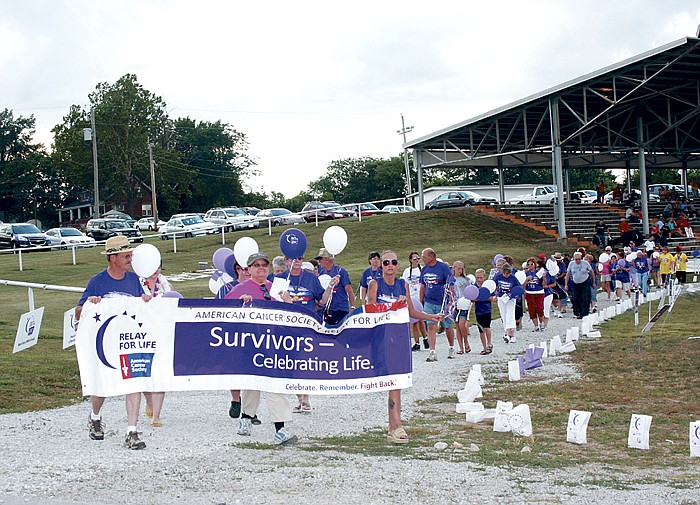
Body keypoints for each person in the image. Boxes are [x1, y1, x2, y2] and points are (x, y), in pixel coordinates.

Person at [75, 236, 152, 450]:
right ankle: (95, 416)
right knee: (102, 386)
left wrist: (145, 301)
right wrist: (91, 305)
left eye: (131, 255)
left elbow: (143, 308)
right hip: (106, 343)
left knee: (134, 382)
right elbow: (78, 313)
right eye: (126, 256)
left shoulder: (135, 280)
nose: (130, 259)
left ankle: (132, 431)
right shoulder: (97, 281)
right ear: (113, 258)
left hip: (129, 342)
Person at [366, 250, 442, 444]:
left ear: (398, 265)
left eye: (393, 262)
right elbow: (371, 310)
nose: (390, 265)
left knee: (397, 383)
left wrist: (430, 317)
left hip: (400, 339)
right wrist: (393, 308)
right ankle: (396, 426)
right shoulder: (375, 284)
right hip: (382, 339)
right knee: (393, 382)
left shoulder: (402, 285)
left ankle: (394, 427)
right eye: (385, 263)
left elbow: (411, 311)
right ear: (381, 265)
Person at [225, 252, 297, 446]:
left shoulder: (276, 289)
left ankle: (280, 428)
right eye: (256, 265)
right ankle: (247, 418)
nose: (261, 268)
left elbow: (289, 317)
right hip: (250, 346)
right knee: (252, 384)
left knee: (274, 384)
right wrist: (241, 305)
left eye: (264, 265)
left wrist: (288, 303)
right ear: (248, 269)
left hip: (273, 345)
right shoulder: (241, 289)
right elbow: (224, 313)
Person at [278, 255, 337, 413]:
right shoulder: (280, 278)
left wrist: (330, 287)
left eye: (300, 258)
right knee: (293, 363)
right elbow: (274, 303)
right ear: (286, 260)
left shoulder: (311, 278)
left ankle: (305, 399)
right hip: (288, 328)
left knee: (304, 362)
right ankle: (301, 399)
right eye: (292, 258)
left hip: (308, 327)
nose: (296, 261)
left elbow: (322, 301)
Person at [139, 264, 172, 427]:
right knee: (144, 371)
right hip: (142, 331)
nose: (156, 270)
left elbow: (174, 299)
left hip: (162, 331)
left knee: (160, 372)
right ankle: (149, 401)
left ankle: (156, 416)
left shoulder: (164, 282)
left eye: (158, 266)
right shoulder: (136, 282)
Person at [419, 248, 456, 361]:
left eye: (424, 257)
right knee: (431, 325)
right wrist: (421, 302)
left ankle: (451, 347)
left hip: (442, 302)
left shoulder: (443, 267)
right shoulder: (424, 269)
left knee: (447, 325)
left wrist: (450, 301)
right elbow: (422, 286)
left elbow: (450, 284)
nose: (422, 259)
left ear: (431, 257)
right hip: (429, 302)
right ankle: (432, 351)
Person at [315, 248, 355, 325]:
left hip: (340, 309)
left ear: (326, 259)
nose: (319, 262)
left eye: (320, 259)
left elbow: (349, 290)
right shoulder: (321, 272)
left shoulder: (341, 272)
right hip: (326, 310)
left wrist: (352, 306)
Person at [402, 251, 427, 351]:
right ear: (410, 260)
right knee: (414, 322)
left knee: (421, 319)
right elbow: (405, 284)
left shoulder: (423, 270)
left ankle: (425, 338)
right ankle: (417, 342)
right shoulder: (407, 271)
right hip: (411, 298)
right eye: (414, 259)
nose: (416, 260)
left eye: (418, 258)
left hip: (420, 297)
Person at [493, 262, 521, 343]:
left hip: (510, 298)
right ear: (502, 272)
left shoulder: (513, 278)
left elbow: (518, 287)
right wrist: (494, 294)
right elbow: (493, 285)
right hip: (501, 297)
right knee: (503, 314)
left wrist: (514, 295)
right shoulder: (498, 276)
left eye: (509, 273)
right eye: (506, 273)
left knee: (510, 314)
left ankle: (511, 333)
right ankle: (507, 332)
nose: (508, 275)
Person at [565, 251, 594, 319]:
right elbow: (568, 274)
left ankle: (584, 313)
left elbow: (591, 272)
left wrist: (593, 282)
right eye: (576, 259)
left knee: (585, 298)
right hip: (576, 283)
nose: (578, 261)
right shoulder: (571, 264)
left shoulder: (585, 263)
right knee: (575, 299)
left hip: (585, 282)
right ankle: (577, 312)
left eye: (579, 259)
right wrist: (566, 284)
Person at [473, 268, 494, 354]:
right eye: (477, 277)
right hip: (478, 310)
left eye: (480, 277)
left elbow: (491, 298)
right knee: (481, 329)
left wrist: (483, 297)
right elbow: (472, 298)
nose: (479, 279)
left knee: (487, 327)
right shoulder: (474, 287)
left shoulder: (488, 286)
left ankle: (489, 343)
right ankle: (484, 346)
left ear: (484, 277)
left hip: (487, 309)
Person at [452, 261, 471, 354]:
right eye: (458, 268)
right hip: (454, 304)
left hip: (463, 304)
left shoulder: (465, 280)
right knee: (457, 326)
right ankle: (461, 347)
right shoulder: (451, 279)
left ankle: (466, 342)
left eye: (461, 268)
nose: (460, 270)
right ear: (454, 268)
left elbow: (469, 292)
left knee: (461, 325)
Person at [523, 257, 546, 332]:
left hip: (539, 292)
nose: (530, 266)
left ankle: (542, 323)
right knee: (531, 309)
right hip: (529, 292)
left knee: (539, 307)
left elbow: (543, 284)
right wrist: (526, 280)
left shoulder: (539, 273)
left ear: (535, 265)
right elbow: (523, 285)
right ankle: (536, 325)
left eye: (531, 264)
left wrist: (544, 277)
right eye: (528, 264)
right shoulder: (526, 274)